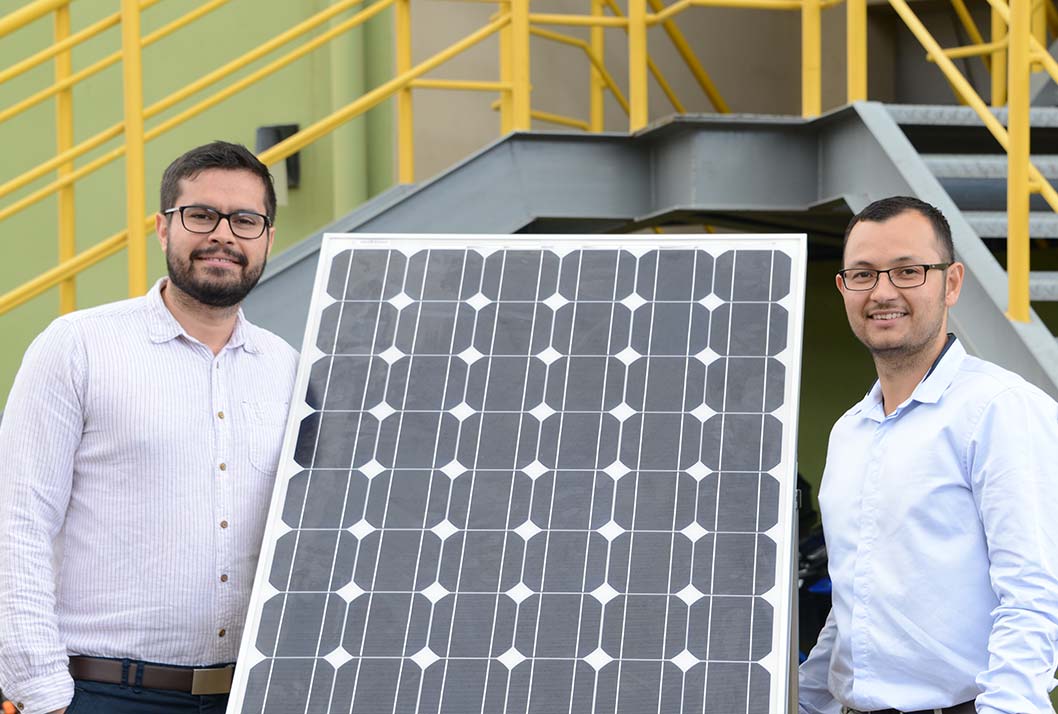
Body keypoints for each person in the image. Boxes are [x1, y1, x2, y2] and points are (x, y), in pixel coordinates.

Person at [0, 141, 299, 714]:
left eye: (245, 220)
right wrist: (43, 694)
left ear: (267, 237)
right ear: (164, 229)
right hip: (103, 692)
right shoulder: (79, 347)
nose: (224, 236)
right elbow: (18, 522)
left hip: (251, 694)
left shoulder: (286, 367)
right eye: (201, 215)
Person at [798, 196, 1058, 714]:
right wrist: (802, 700)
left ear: (952, 283)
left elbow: (1036, 598)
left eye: (908, 271)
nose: (883, 292)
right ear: (843, 288)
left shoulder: (1000, 411)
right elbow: (854, 605)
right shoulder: (848, 432)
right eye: (863, 274)